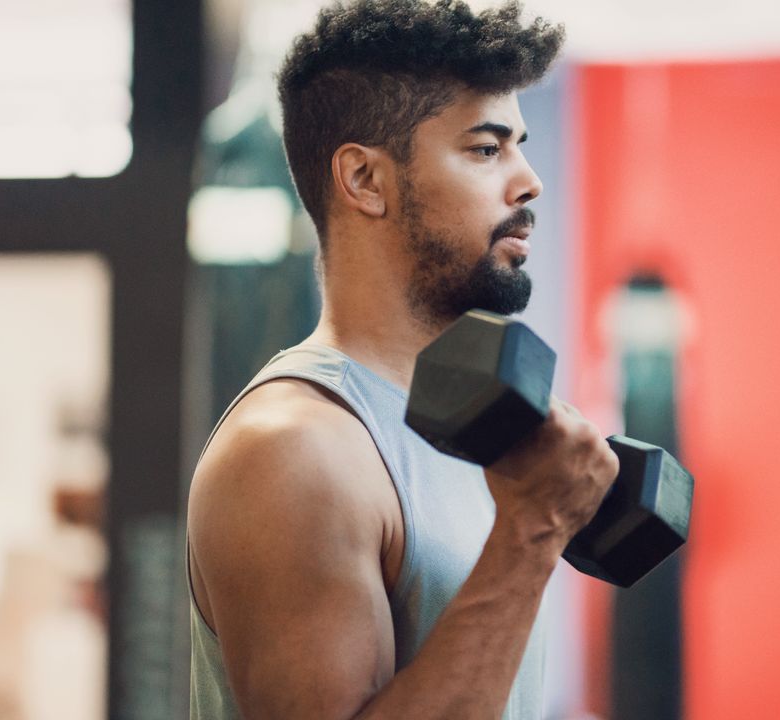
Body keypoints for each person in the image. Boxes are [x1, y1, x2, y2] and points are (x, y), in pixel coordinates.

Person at [185, 1, 619, 718]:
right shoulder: (295, 449)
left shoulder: (476, 433)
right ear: (364, 180)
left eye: (521, 144)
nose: (528, 180)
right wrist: (535, 527)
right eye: (486, 149)